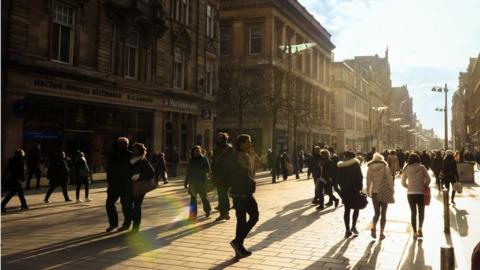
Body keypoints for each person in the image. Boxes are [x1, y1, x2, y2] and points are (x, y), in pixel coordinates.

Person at [229, 134, 258, 259]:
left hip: (236, 193)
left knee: (241, 220)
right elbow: (245, 175)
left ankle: (239, 249)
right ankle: (238, 241)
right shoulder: (243, 156)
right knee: (254, 216)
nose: (250, 144)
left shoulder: (233, 156)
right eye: (248, 142)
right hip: (244, 193)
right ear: (241, 144)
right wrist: (253, 183)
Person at [105, 137, 133, 233]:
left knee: (125, 205)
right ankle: (113, 223)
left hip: (125, 184)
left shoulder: (130, 155)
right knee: (109, 204)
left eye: (122, 144)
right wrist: (109, 180)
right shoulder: (114, 155)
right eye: (119, 143)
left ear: (126, 145)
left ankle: (126, 223)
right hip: (113, 184)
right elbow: (109, 168)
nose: (119, 145)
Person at [401, 153, 431, 239]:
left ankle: (414, 232)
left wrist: (409, 186)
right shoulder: (422, 167)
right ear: (418, 159)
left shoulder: (406, 168)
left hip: (410, 193)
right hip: (420, 193)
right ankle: (420, 229)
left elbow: (402, 182)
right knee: (421, 212)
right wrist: (424, 185)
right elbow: (429, 179)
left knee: (413, 212)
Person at [128, 143, 155, 233]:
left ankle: (136, 227)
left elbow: (152, 173)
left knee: (136, 206)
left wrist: (139, 176)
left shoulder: (144, 161)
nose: (134, 151)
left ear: (140, 151)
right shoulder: (130, 160)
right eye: (133, 149)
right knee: (127, 205)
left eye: (136, 150)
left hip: (140, 187)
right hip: (131, 186)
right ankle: (134, 220)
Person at [366, 153, 394, 240]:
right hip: (384, 192)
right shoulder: (385, 167)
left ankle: (374, 227)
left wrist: (368, 191)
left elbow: (368, 181)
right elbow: (390, 179)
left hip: (374, 192)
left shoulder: (370, 168)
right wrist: (392, 189)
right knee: (383, 214)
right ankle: (381, 233)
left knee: (376, 213)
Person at [337, 151, 363, 238]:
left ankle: (347, 230)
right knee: (356, 208)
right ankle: (353, 226)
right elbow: (360, 177)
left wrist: (342, 189)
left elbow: (338, 179)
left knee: (347, 210)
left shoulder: (341, 166)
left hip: (345, 191)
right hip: (355, 190)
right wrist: (360, 188)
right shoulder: (356, 165)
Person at [212, 132, 235, 222]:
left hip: (223, 175)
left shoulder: (228, 149)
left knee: (222, 194)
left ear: (224, 139)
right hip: (221, 175)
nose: (219, 140)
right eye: (218, 138)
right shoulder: (226, 149)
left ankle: (223, 214)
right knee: (223, 194)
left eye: (221, 138)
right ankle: (226, 213)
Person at [184, 146, 211, 220]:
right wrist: (186, 181)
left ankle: (207, 210)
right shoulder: (191, 160)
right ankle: (192, 215)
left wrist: (201, 172)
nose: (197, 152)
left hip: (201, 182)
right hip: (192, 182)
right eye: (195, 151)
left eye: (198, 151)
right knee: (193, 199)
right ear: (193, 152)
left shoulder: (204, 159)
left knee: (204, 198)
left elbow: (208, 169)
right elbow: (188, 171)